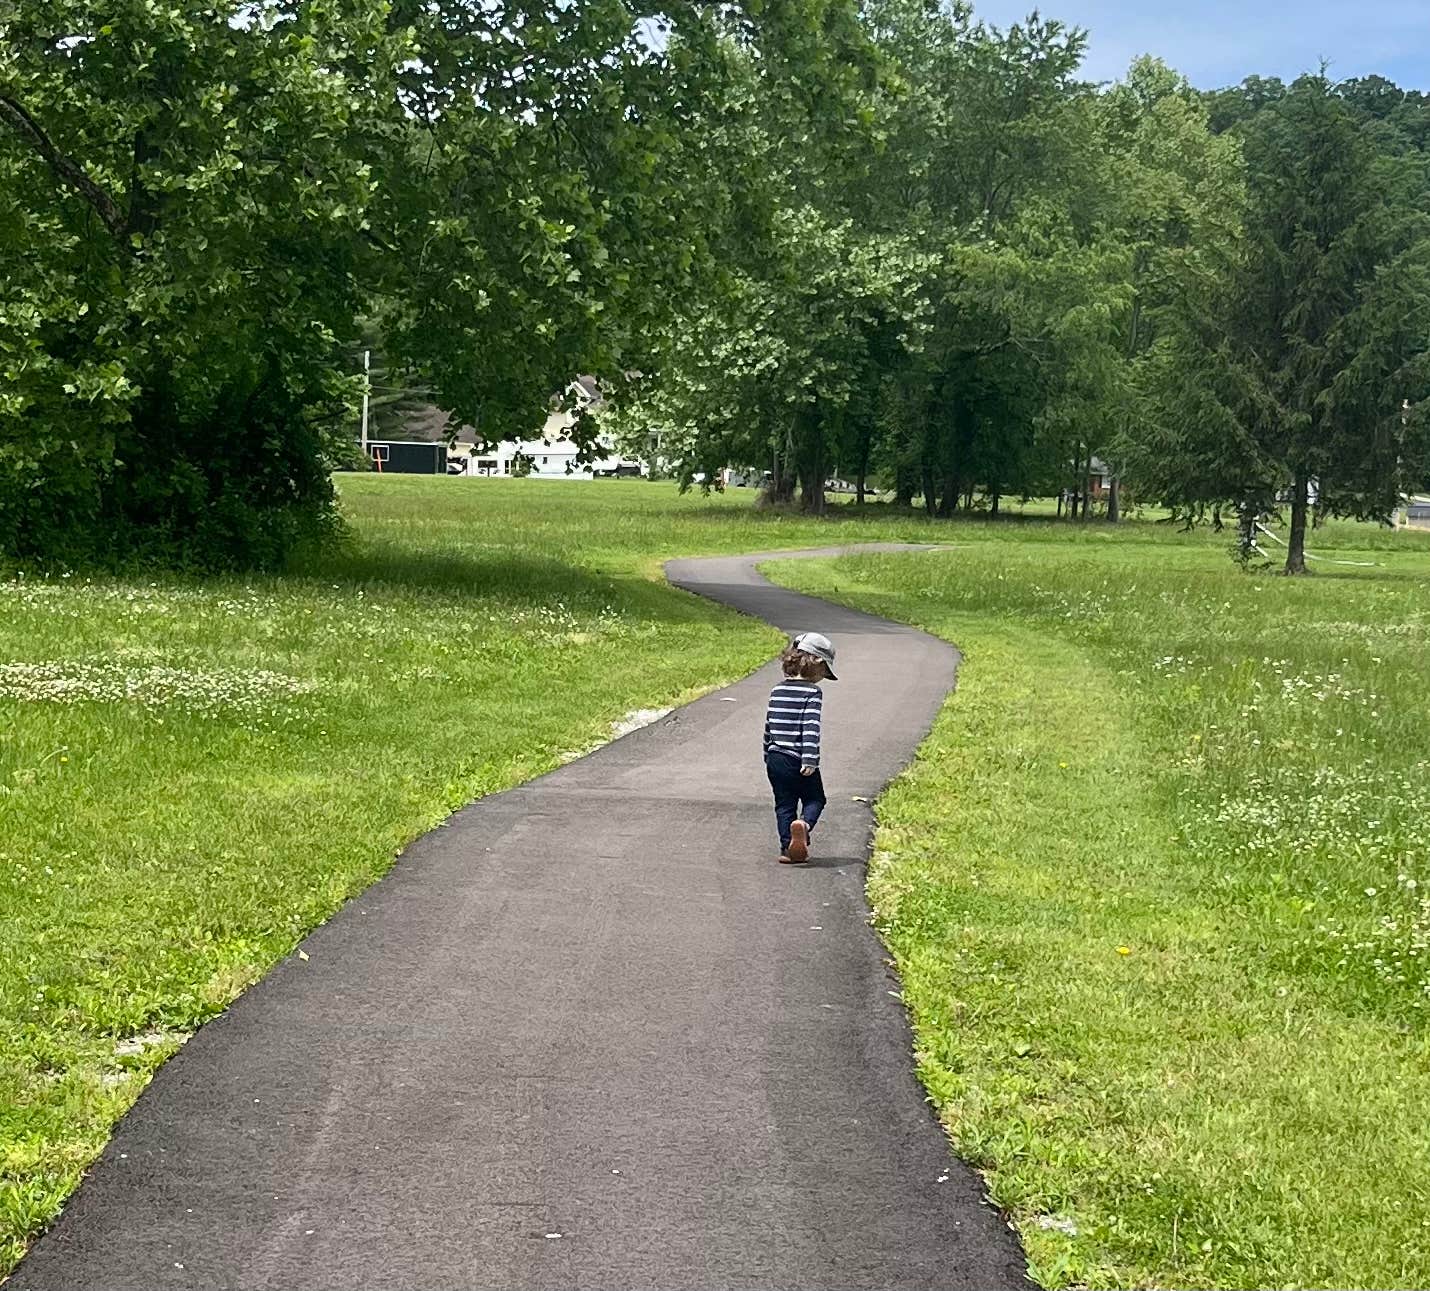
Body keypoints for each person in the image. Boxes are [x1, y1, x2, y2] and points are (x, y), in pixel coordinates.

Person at [763, 631, 837, 864]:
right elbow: (810, 727)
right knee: (815, 799)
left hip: (775, 757)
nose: (823, 678)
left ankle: (787, 849)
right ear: (815, 664)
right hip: (798, 757)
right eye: (824, 672)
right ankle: (803, 826)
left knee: (784, 804)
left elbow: (769, 725)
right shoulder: (813, 692)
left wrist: (767, 753)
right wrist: (810, 759)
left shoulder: (777, 690)